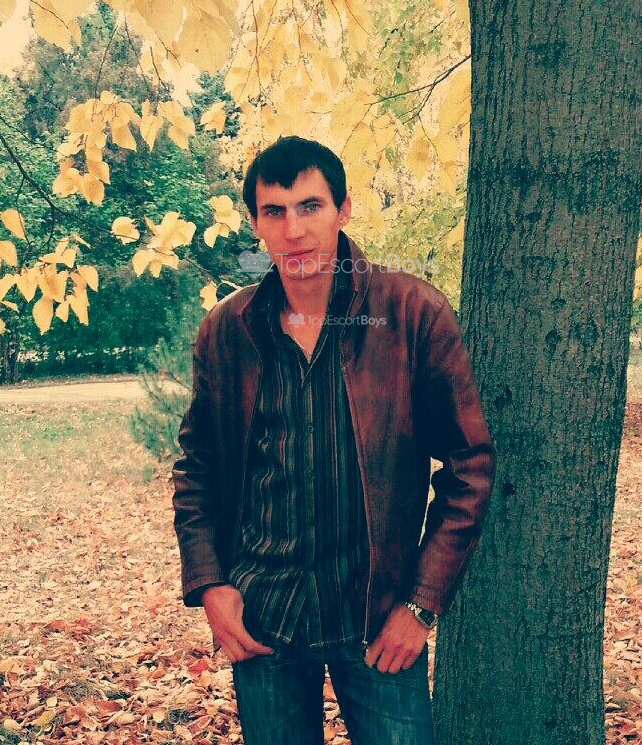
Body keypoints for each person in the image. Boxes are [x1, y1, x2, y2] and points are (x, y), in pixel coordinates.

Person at [171, 136, 496, 745]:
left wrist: (421, 606)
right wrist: (210, 583)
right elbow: (198, 470)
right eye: (274, 211)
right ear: (256, 224)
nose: (294, 230)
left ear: (343, 209)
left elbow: (470, 468)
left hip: (377, 620)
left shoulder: (412, 314)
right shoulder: (228, 331)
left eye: (310, 206)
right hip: (263, 618)